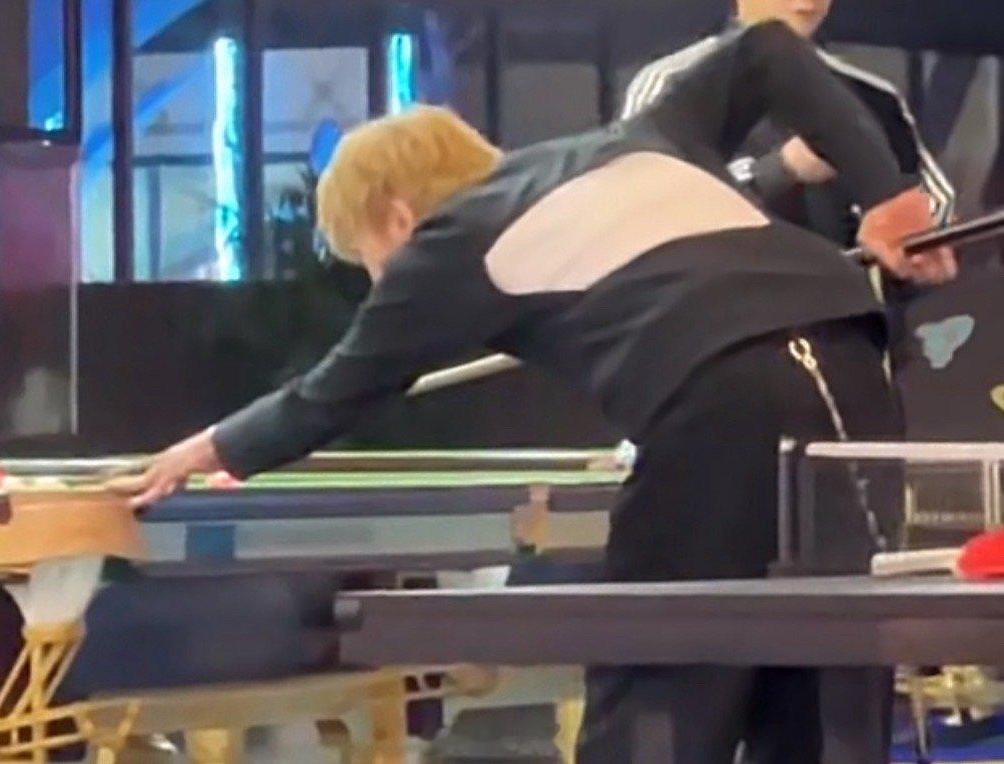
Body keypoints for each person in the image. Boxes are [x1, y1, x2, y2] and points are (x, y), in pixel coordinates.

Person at [118, 21, 955, 764]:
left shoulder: (446, 242)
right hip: (854, 363)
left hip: (719, 398)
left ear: (396, 217)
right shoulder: (639, 137)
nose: (380, 282)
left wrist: (205, 450)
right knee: (822, 678)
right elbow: (768, 51)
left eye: (368, 259)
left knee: (659, 680)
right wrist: (888, 194)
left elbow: (330, 393)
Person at [622, 0, 955, 244]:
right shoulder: (670, 83)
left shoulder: (875, 94)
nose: (807, 3)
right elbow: (640, 213)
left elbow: (940, 206)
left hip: (845, 305)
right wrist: (779, 170)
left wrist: (878, 208)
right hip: (724, 306)